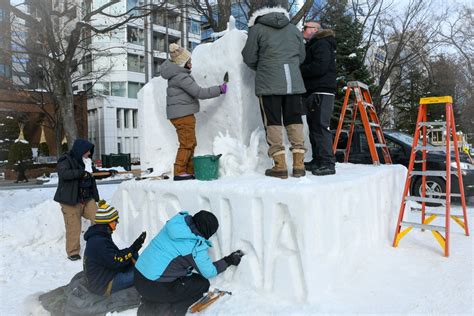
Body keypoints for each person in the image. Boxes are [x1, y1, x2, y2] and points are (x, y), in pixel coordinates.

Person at [242, 0, 307, 179]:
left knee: (273, 122)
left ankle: (280, 166)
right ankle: (299, 165)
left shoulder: (256, 29)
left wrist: (262, 67)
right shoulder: (293, 29)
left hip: (269, 82)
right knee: (295, 121)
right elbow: (301, 56)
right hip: (293, 83)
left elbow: (248, 56)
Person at [134, 210, 244, 315]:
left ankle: (151, 303)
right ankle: (169, 312)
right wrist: (229, 260)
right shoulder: (194, 246)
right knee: (202, 284)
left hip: (138, 276)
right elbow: (209, 271)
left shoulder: (177, 225)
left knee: (188, 279)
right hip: (153, 286)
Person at [160, 43, 228, 181]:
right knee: (187, 143)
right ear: (182, 63)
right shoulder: (181, 77)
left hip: (181, 114)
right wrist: (219, 89)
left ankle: (189, 170)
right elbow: (199, 92)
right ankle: (179, 171)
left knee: (191, 142)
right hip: (182, 115)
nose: (191, 64)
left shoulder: (176, 75)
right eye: (189, 62)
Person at [53, 139, 115, 261]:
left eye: (89, 151)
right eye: (86, 151)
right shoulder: (66, 160)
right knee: (74, 227)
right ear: (80, 150)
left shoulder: (87, 162)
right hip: (70, 200)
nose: (88, 154)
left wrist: (108, 173)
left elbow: (94, 173)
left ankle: (99, 245)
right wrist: (81, 173)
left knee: (99, 219)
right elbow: (64, 173)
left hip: (86, 198)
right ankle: (73, 252)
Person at [83, 200, 146, 296]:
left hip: (108, 272)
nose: (117, 222)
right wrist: (133, 248)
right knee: (144, 275)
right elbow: (116, 261)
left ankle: (139, 270)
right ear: (107, 222)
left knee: (133, 254)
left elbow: (114, 255)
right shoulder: (99, 242)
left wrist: (135, 246)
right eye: (115, 220)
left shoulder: (100, 234)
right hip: (104, 285)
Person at [300, 21, 337, 176]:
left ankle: (328, 163)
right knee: (314, 127)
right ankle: (318, 160)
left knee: (320, 127)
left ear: (315, 30)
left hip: (321, 91)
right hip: (314, 91)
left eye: (305, 27)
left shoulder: (321, 43)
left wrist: (299, 69)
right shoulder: (314, 45)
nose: (303, 30)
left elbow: (320, 67)